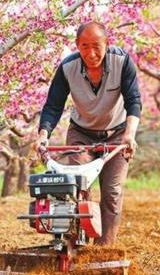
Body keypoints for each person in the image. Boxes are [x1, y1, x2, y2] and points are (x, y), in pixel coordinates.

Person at [35, 21, 141, 245]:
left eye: (96, 46)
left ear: (107, 43)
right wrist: (43, 135)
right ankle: (76, 241)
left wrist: (129, 134)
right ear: (77, 46)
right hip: (81, 133)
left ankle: (104, 248)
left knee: (112, 193)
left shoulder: (122, 62)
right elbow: (53, 106)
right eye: (84, 46)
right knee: (77, 186)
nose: (91, 53)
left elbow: (133, 101)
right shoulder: (67, 68)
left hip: (117, 134)